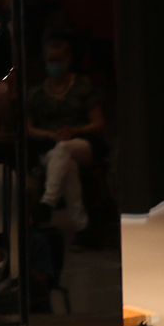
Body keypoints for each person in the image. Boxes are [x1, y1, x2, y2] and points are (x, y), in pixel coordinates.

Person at [26, 39, 106, 233]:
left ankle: (47, 202)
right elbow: (28, 129)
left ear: (68, 59)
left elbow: (98, 123)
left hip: (81, 142)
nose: (54, 64)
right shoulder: (35, 93)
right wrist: (50, 134)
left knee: (64, 149)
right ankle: (82, 226)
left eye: (59, 59)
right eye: (50, 60)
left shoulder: (83, 85)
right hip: (48, 145)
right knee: (67, 165)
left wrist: (74, 131)